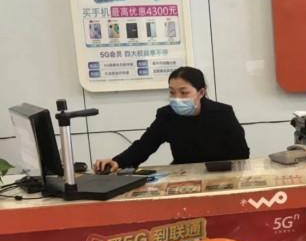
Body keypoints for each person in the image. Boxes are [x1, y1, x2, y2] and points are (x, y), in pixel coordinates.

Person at [94, 67, 249, 173]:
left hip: (221, 176)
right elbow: (144, 145)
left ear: (201, 92)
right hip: (183, 178)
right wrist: (118, 161)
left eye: (184, 92)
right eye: (172, 92)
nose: (177, 98)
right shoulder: (167, 115)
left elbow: (241, 153)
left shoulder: (222, 113)